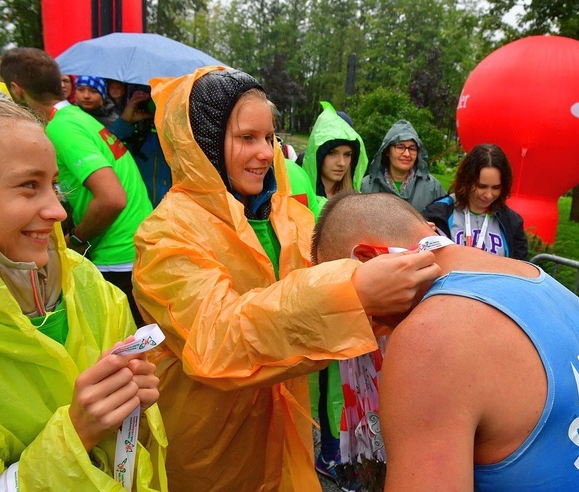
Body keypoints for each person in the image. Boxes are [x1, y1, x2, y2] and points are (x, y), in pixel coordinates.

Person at [132, 66, 440, 491]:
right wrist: (352, 294)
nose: (264, 152)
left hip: (284, 431)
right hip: (209, 446)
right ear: (202, 142)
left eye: (269, 137)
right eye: (246, 138)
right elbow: (215, 339)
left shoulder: (285, 215)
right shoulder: (167, 233)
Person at [312, 191, 579, 491]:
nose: (362, 331)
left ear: (369, 259)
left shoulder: (430, 339)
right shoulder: (534, 278)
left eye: (353, 304)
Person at [0, 99, 167, 490]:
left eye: (54, 185)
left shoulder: (89, 285)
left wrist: (132, 409)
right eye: (29, 186)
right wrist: (76, 434)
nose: (59, 210)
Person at [1, 48, 153, 325]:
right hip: (135, 246)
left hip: (115, 253)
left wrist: (78, 241)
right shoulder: (78, 118)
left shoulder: (61, 128)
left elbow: (112, 198)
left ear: (16, 90)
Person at [301, 101, 369, 487]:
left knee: (350, 386)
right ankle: (329, 453)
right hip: (315, 308)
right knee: (324, 385)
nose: (341, 163)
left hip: (351, 307)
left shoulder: (356, 201)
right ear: (318, 154)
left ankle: (350, 454)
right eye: (333, 153)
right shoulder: (297, 193)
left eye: (348, 154)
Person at [423, 143, 528, 260]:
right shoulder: (438, 214)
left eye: (496, 188)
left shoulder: (512, 222)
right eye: (481, 186)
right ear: (466, 181)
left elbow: (521, 268)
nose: (488, 195)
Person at [360, 119, 446, 212]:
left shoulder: (433, 187)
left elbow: (447, 221)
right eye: (400, 147)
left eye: (412, 148)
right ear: (387, 151)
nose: (407, 154)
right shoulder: (366, 187)